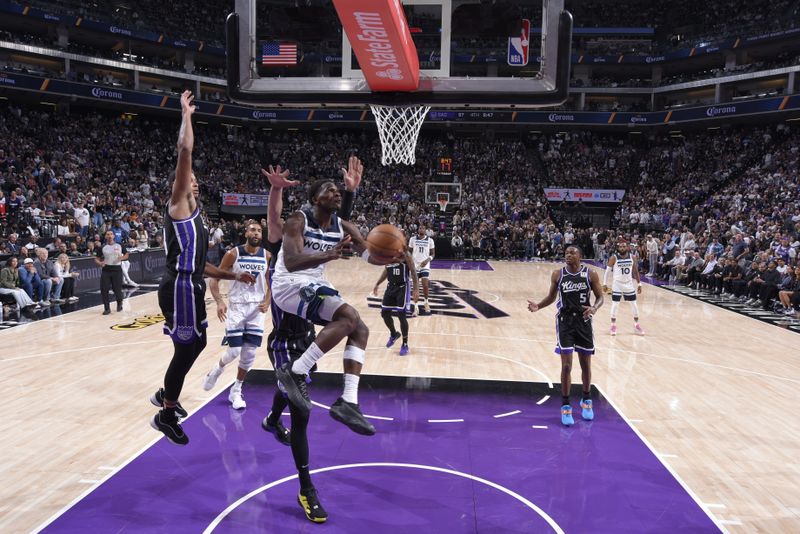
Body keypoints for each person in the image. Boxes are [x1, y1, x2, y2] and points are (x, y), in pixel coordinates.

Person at [149, 91, 254, 446]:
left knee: (200, 340)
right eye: (188, 177)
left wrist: (233, 275)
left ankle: (166, 393)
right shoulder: (178, 203)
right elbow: (185, 152)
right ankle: (165, 411)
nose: (193, 178)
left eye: (194, 178)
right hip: (178, 287)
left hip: (189, 282)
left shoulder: (198, 218)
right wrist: (186, 115)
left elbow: (202, 265)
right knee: (185, 348)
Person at [262, 160, 360, 524]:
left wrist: (350, 192)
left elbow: (335, 230)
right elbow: (276, 220)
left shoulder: (315, 232)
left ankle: (272, 418)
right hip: (284, 337)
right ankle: (307, 489)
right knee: (302, 411)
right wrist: (276, 189)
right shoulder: (286, 237)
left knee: (290, 386)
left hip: (306, 333)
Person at [273, 157, 390, 438]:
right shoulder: (297, 220)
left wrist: (393, 256)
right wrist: (329, 254)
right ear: (314, 198)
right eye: (329, 189)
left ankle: (349, 401)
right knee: (348, 316)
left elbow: (368, 255)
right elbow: (291, 261)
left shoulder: (343, 226)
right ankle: (295, 371)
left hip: (313, 283)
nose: (336, 192)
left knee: (360, 327)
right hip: (288, 283)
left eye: (339, 190)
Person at [527, 245, 604, 426]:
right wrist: (539, 305)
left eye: (572, 252)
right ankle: (566, 405)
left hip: (584, 322)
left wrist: (594, 308)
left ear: (580, 256)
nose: (568, 255)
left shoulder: (590, 274)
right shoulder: (557, 274)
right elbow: (552, 297)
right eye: (566, 253)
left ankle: (586, 400)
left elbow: (600, 297)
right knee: (567, 367)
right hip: (565, 322)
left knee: (585, 365)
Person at [203, 220, 270, 410]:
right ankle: (217, 369)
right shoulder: (233, 254)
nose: (256, 233)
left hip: (257, 309)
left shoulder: (267, 255)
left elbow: (270, 281)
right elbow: (214, 279)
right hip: (238, 306)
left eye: (259, 231)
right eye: (252, 230)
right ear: (245, 234)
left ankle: (236, 390)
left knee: (249, 354)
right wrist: (219, 301)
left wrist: (268, 300)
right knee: (233, 351)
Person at [372, 251, 418, 356]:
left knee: (401, 315)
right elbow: (386, 271)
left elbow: (413, 271)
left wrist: (415, 289)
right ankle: (394, 334)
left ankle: (405, 344)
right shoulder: (387, 252)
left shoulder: (406, 254)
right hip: (390, 287)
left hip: (402, 287)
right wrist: (377, 283)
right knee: (384, 313)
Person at [603, 240, 644, 336]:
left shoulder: (632, 257)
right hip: (617, 284)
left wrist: (639, 284)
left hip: (629, 284)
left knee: (634, 305)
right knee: (615, 305)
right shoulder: (614, 258)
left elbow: (635, 271)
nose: (622, 248)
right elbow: (607, 272)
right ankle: (613, 325)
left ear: (627, 247)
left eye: (624, 246)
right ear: (618, 248)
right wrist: (604, 283)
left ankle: (636, 325)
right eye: (620, 247)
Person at [95, 230, 127, 315]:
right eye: (108, 234)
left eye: (111, 234)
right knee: (104, 289)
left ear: (113, 236)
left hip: (117, 270)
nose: (109, 236)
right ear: (105, 236)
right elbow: (96, 259)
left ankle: (119, 303)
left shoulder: (120, 245)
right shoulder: (102, 247)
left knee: (117, 289)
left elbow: (127, 254)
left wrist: (122, 258)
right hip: (106, 270)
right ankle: (107, 308)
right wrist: (100, 263)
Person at [408, 225, 435, 314]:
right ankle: (416, 307)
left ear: (425, 230)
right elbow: (409, 252)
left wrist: (427, 260)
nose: (421, 229)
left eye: (423, 228)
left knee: (425, 285)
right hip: (415, 265)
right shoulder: (412, 239)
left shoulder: (430, 240)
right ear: (418, 229)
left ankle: (426, 302)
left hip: (425, 265)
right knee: (415, 287)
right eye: (420, 228)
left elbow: (433, 254)